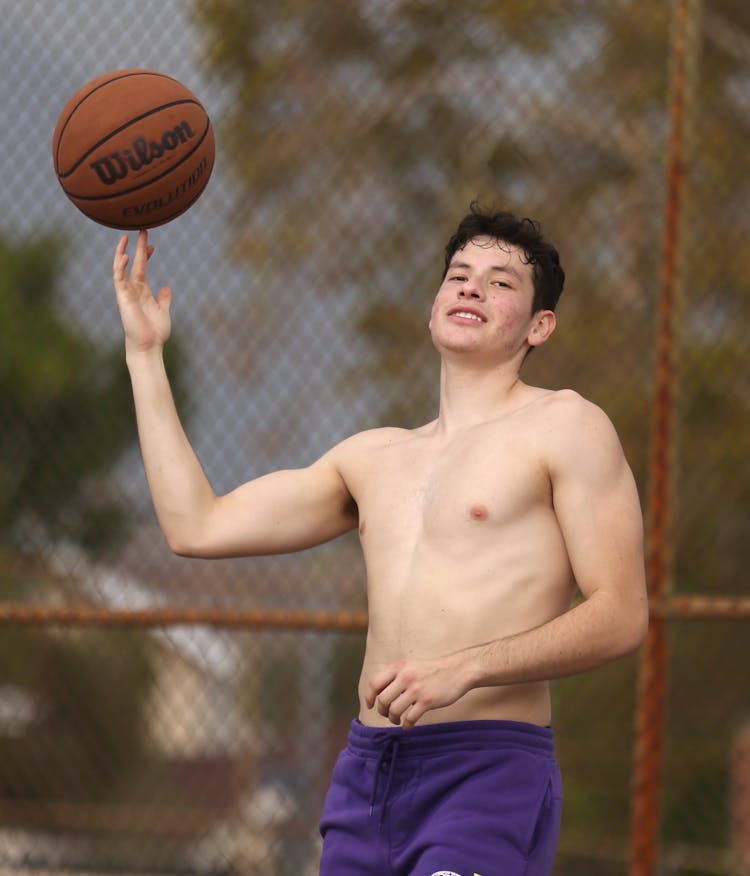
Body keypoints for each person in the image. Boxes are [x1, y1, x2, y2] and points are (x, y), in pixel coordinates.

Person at [112, 203, 648, 876]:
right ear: (432, 310)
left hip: (486, 771)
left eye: (501, 281)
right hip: (368, 773)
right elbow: (197, 526)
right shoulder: (372, 458)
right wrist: (143, 355)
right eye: (458, 275)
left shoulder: (568, 426)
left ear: (539, 326)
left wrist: (467, 666)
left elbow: (621, 613)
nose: (472, 288)